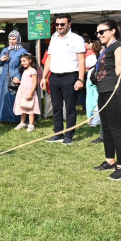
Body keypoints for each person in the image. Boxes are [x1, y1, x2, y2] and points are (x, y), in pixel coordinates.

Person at [91, 19, 121, 180]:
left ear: (113, 31)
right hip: (104, 91)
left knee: (117, 130)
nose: (99, 35)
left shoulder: (118, 46)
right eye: (97, 32)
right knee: (106, 128)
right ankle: (110, 160)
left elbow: (119, 59)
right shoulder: (105, 49)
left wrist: (120, 66)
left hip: (116, 92)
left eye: (102, 32)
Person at [40, 13, 86, 145]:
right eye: (57, 24)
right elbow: (49, 58)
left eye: (62, 24)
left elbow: (81, 61)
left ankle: (69, 135)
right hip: (54, 77)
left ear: (69, 24)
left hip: (70, 77)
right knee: (56, 107)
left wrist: (80, 79)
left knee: (70, 108)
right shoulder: (54, 37)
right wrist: (44, 77)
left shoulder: (77, 39)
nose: (59, 27)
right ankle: (58, 133)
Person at [0, 31, 28, 124]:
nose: (12, 41)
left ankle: (15, 119)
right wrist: (1, 60)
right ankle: (1, 118)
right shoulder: (5, 50)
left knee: (14, 97)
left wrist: (18, 76)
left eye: (14, 39)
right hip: (4, 75)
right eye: (10, 39)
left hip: (15, 75)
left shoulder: (22, 51)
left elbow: (24, 65)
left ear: (18, 39)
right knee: (2, 97)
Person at [13, 53, 40, 132]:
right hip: (22, 91)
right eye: (21, 61)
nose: (23, 63)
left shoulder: (33, 71)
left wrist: (31, 93)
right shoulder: (25, 70)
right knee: (23, 107)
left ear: (30, 60)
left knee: (30, 108)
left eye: (24, 61)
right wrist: (19, 81)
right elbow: (25, 81)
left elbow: (34, 83)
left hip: (29, 91)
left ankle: (31, 124)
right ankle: (22, 123)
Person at [85, 39, 103, 128]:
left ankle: (89, 117)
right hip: (98, 78)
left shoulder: (89, 57)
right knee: (96, 98)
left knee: (89, 97)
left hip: (89, 77)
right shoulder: (102, 57)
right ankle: (95, 117)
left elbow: (86, 67)